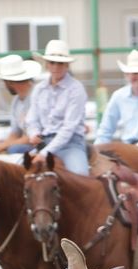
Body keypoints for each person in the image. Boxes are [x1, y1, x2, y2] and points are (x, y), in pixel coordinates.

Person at [25, 39, 89, 175]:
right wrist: (34, 133)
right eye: (52, 62)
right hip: (44, 142)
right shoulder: (39, 89)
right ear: (46, 65)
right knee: (18, 175)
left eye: (60, 63)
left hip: (71, 144)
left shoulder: (76, 89)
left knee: (80, 174)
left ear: (67, 66)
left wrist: (44, 153)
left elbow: (69, 127)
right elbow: (32, 118)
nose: (55, 67)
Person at [0, 54, 42, 155]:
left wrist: (2, 146)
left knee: (14, 149)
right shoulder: (16, 101)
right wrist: (2, 146)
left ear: (10, 82)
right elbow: (15, 133)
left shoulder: (37, 96)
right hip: (30, 143)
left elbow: (32, 136)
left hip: (40, 144)